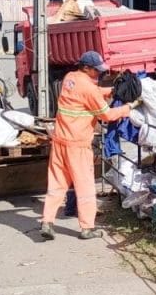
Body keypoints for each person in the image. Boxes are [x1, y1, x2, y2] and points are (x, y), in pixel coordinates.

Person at [41, 51, 135, 240]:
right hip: (78, 144)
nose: (99, 74)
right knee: (84, 186)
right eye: (97, 70)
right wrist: (129, 108)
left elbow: (87, 94)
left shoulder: (70, 78)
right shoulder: (89, 88)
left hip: (60, 140)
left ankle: (47, 221)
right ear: (86, 67)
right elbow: (106, 115)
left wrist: (109, 91)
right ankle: (87, 228)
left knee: (57, 183)